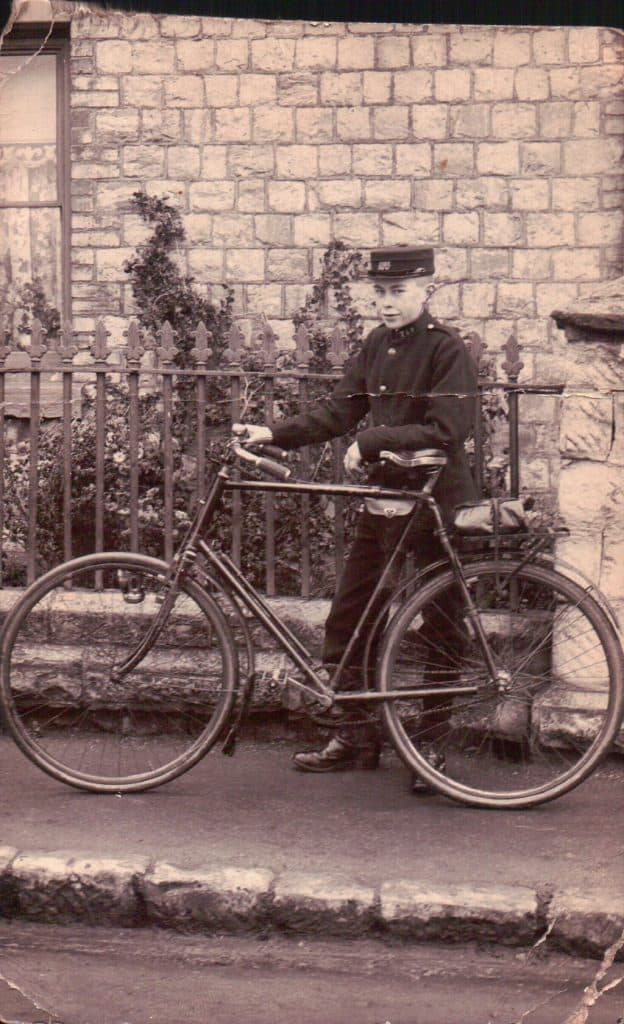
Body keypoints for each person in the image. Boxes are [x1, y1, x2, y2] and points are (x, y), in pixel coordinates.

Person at [233, 245, 478, 792]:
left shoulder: (447, 349)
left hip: (438, 503)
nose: (387, 303)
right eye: (381, 293)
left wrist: (372, 440)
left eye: (398, 292)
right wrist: (272, 433)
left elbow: (446, 430)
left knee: (440, 626)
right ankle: (357, 735)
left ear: (426, 291)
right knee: (351, 616)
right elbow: (339, 410)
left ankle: (431, 747)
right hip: (386, 501)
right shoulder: (375, 345)